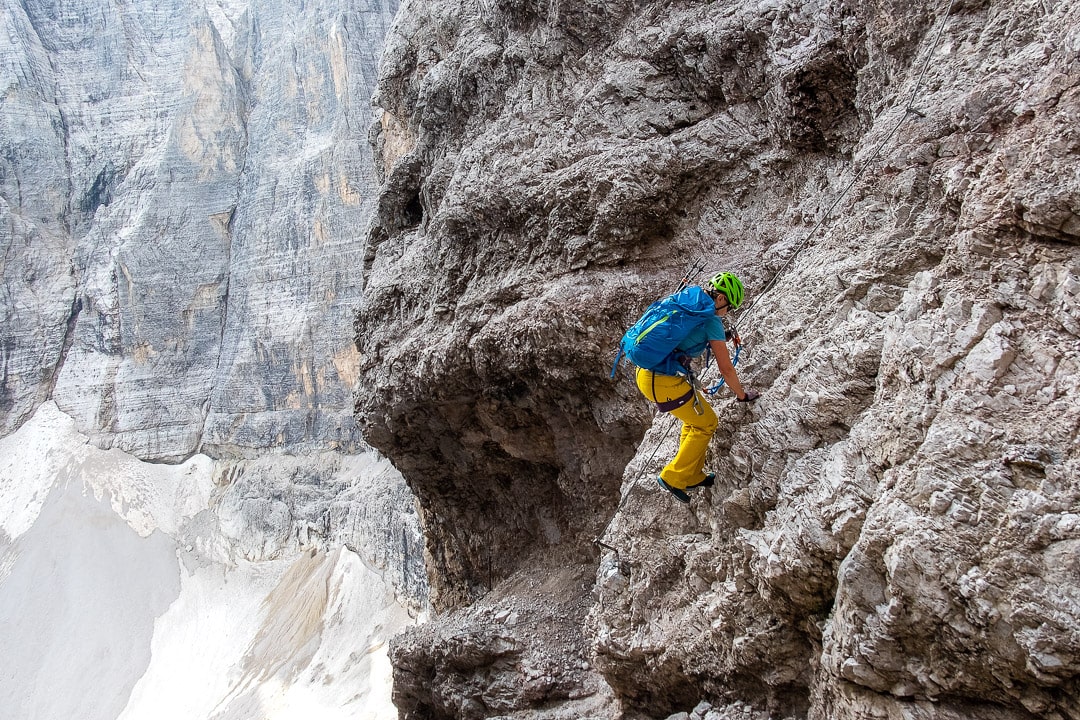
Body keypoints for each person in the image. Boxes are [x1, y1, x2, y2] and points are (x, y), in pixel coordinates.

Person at [635, 272, 760, 503]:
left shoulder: (690, 303)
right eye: (729, 307)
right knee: (708, 422)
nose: (727, 313)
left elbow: (690, 333)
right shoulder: (711, 319)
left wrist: (722, 335)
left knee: (695, 421)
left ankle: (692, 474)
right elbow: (726, 369)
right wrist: (741, 395)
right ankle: (673, 477)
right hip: (662, 381)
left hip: (647, 373)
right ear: (721, 299)